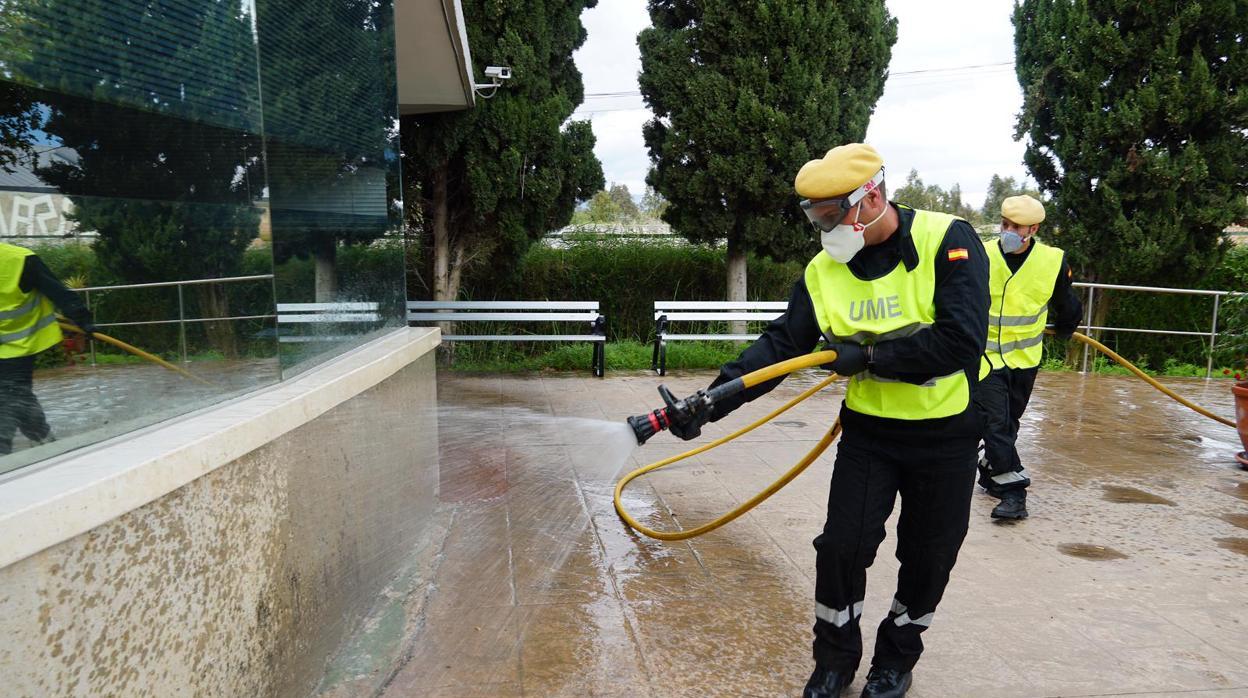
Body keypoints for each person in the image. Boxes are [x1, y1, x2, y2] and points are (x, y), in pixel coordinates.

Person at [667, 144, 988, 698]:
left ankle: (896, 659)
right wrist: (712, 400)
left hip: (946, 435)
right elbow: (781, 347)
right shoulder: (824, 270)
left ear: (872, 197)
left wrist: (868, 359)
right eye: (814, 217)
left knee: (930, 553)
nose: (823, 228)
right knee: (840, 548)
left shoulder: (947, 241)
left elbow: (961, 341)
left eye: (831, 215)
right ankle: (834, 660)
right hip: (869, 434)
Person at [974, 195, 1082, 519]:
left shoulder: (1052, 262)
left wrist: (1065, 327)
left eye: (1016, 227)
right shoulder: (981, 254)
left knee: (1008, 424)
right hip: (985, 358)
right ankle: (1014, 493)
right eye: (1004, 224)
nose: (1007, 231)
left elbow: (1068, 305)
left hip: (1025, 359)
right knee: (994, 423)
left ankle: (991, 466)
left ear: (1032, 229)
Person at [0, 242, 95, 456]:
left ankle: (3, 451)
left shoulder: (20, 259)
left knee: (9, 395)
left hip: (18, 346)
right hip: (15, 344)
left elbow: (57, 292)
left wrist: (82, 319)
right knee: (17, 395)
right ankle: (45, 440)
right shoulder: (19, 259)